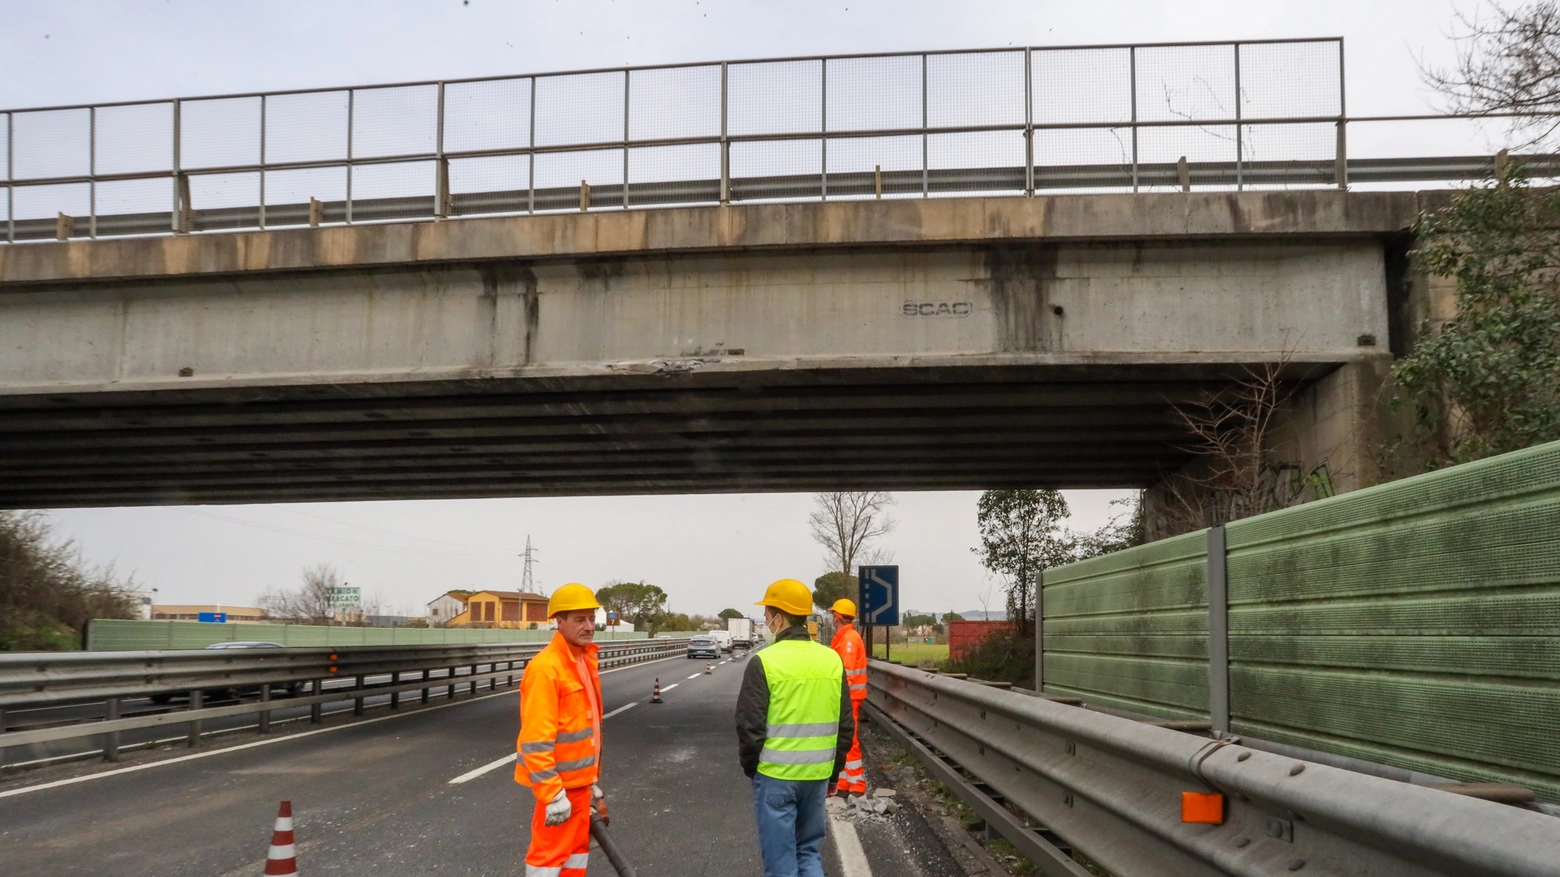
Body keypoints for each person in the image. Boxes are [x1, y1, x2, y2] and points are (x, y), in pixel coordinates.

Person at [735, 579, 855, 877]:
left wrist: (753, 770)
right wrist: (833, 772)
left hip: (776, 777)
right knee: (809, 854)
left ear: (780, 616)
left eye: (767, 613)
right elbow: (845, 724)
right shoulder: (831, 660)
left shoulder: (764, 662)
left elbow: (749, 727)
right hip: (816, 777)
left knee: (781, 863)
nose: (765, 620)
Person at [517, 583, 607, 877]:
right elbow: (535, 741)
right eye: (580, 619)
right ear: (560, 621)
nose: (589, 626)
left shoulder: (582, 660)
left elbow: (586, 728)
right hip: (559, 789)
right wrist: (552, 794)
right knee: (547, 862)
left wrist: (591, 781)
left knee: (575, 860)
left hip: (579, 786)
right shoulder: (548, 669)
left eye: (591, 618)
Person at [829, 598, 869, 798]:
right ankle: (845, 782)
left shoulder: (849, 639)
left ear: (837, 617)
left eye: (833, 615)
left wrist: (839, 697)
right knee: (843, 740)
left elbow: (847, 673)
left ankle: (857, 784)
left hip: (849, 698)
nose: (831, 618)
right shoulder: (846, 637)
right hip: (849, 697)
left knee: (849, 741)